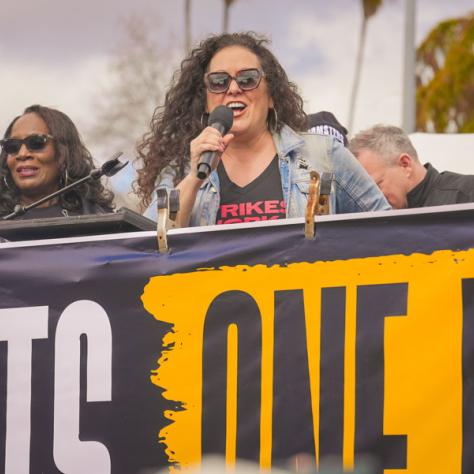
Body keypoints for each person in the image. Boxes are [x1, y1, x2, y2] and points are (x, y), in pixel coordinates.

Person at [136, 32, 389, 226]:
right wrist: (193, 180)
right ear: (205, 101)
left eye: (247, 79)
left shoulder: (324, 155)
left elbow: (389, 229)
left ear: (271, 96)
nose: (233, 89)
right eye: (219, 82)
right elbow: (146, 249)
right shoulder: (185, 168)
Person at [0, 105, 115, 219]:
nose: (22, 154)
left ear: (63, 154)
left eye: (36, 142)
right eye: (12, 146)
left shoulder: (100, 219)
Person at [349, 124, 474, 209]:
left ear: (405, 164)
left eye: (376, 186)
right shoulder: (377, 223)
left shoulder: (467, 195)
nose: (370, 199)